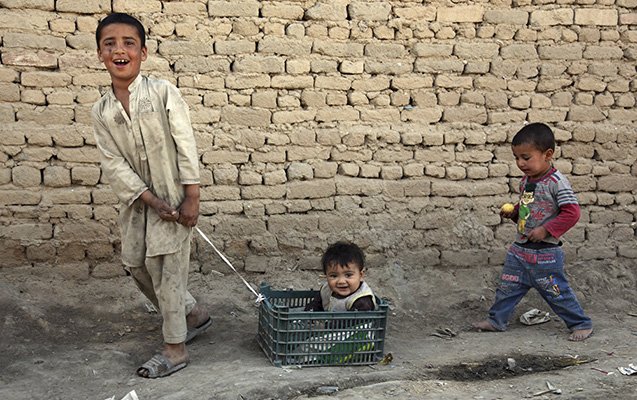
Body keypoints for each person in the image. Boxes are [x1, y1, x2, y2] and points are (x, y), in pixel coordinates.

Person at [92, 13, 212, 378]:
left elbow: (185, 142)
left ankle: (175, 348)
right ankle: (192, 314)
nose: (120, 50)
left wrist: (191, 196)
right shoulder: (101, 111)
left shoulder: (162, 92)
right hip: (138, 205)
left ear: (143, 52)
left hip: (175, 199)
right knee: (137, 265)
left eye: (129, 43)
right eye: (109, 44)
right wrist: (148, 199)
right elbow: (113, 164)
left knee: (168, 270)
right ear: (100, 54)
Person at [472, 122, 593, 341]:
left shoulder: (557, 183)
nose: (520, 163)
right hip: (520, 250)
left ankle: (580, 323)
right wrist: (515, 214)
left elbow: (572, 213)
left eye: (526, 158)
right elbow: (528, 209)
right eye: (516, 158)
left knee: (556, 292)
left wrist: (546, 230)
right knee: (507, 288)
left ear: (548, 154)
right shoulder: (526, 182)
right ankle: (496, 320)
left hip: (546, 254)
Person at [305, 241, 377, 312]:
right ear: (326, 276)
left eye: (348, 275)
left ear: (361, 275)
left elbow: (354, 323)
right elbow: (315, 305)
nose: (341, 281)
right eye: (334, 276)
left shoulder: (362, 301)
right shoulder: (327, 289)